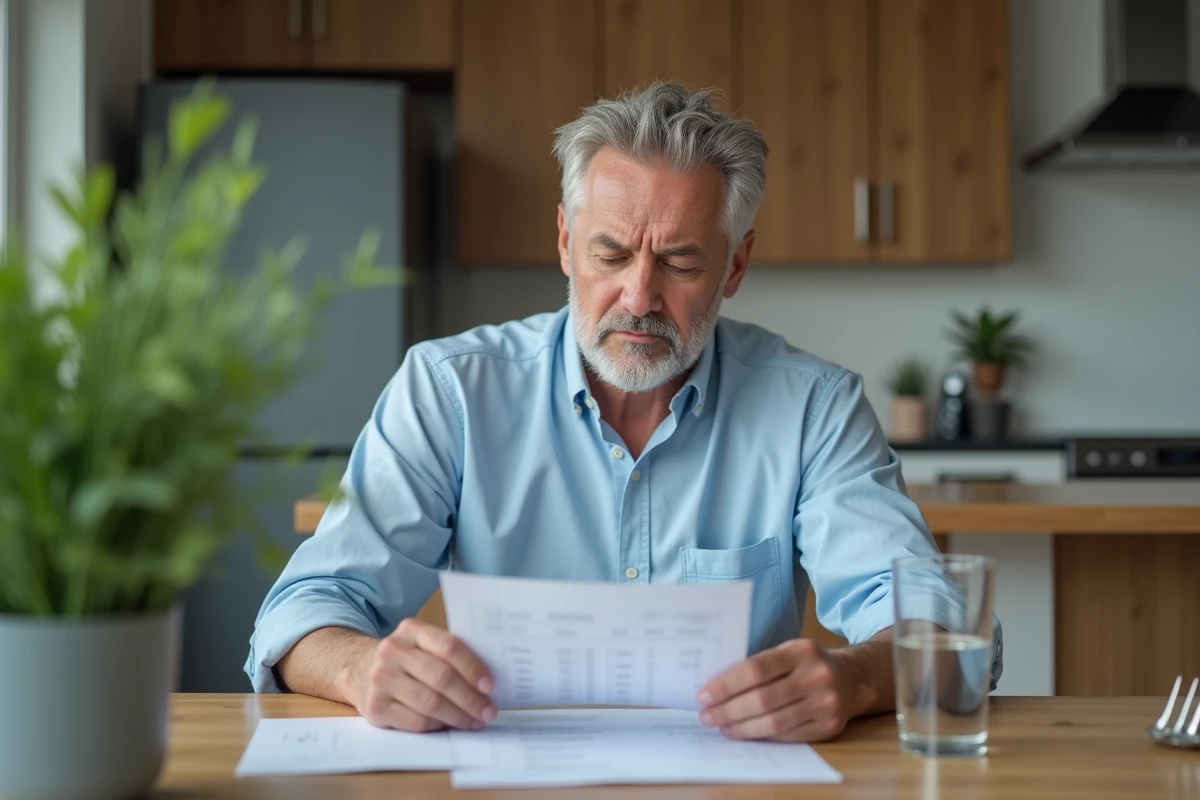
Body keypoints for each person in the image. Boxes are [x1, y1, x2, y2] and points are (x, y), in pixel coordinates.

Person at [247, 82, 1002, 743]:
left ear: (734, 265)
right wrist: (360, 667)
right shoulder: (449, 392)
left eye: (679, 262)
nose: (640, 299)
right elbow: (303, 612)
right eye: (611, 255)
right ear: (566, 242)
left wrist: (855, 679)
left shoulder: (812, 408)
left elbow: (933, 616)